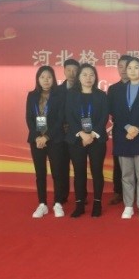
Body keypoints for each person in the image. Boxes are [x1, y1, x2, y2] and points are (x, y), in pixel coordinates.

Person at [110, 57, 139, 219]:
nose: (132, 71)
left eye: (136, 67)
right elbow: (115, 111)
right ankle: (128, 205)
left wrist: (136, 127)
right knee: (126, 174)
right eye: (129, 68)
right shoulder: (118, 90)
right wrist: (128, 127)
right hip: (123, 136)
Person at [65, 64, 109, 218]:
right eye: (84, 74)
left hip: (97, 139)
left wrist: (92, 135)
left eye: (91, 74)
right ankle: (79, 204)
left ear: (95, 77)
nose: (88, 78)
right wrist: (82, 134)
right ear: (79, 77)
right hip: (77, 139)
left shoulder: (101, 95)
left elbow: (104, 116)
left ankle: (97, 203)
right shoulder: (71, 95)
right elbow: (68, 116)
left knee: (97, 171)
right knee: (79, 172)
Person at [26, 65, 66, 218]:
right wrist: (37, 136)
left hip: (55, 139)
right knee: (40, 173)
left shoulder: (60, 95)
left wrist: (46, 136)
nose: (46, 80)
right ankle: (42, 204)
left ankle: (57, 203)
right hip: (36, 140)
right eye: (42, 77)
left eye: (49, 77)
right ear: (38, 79)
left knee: (57, 172)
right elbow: (29, 118)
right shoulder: (32, 95)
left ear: (53, 79)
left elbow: (60, 119)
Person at [107, 55, 133, 205]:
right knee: (119, 162)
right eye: (120, 66)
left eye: (126, 66)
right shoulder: (113, 89)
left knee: (136, 161)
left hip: (137, 130)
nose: (123, 70)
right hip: (120, 130)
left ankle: (135, 191)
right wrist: (124, 124)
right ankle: (118, 192)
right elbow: (111, 110)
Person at [57, 58, 80, 203]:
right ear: (64, 71)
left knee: (79, 167)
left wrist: (74, 126)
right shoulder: (57, 90)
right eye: (69, 70)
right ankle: (62, 196)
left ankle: (80, 196)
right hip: (59, 135)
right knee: (62, 166)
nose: (72, 73)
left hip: (77, 134)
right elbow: (53, 112)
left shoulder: (82, 89)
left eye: (75, 70)